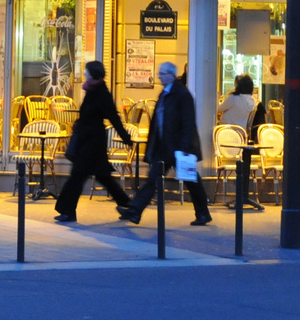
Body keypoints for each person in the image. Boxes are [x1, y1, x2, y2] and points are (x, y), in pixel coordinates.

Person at [120, 61, 211, 226]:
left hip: (178, 147)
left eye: (162, 74)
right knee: (153, 180)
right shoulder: (165, 93)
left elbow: (188, 122)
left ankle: (203, 213)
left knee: (191, 180)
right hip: (164, 147)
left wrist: (183, 148)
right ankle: (134, 211)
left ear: (171, 75)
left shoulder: (182, 94)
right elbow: (158, 122)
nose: (159, 76)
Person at [54, 62, 132, 223]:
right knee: (104, 177)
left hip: (93, 143)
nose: (84, 73)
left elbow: (113, 117)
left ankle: (68, 211)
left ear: (93, 73)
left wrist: (126, 138)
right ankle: (129, 206)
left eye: (86, 71)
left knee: (76, 177)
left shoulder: (101, 93)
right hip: (88, 141)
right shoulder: (91, 90)